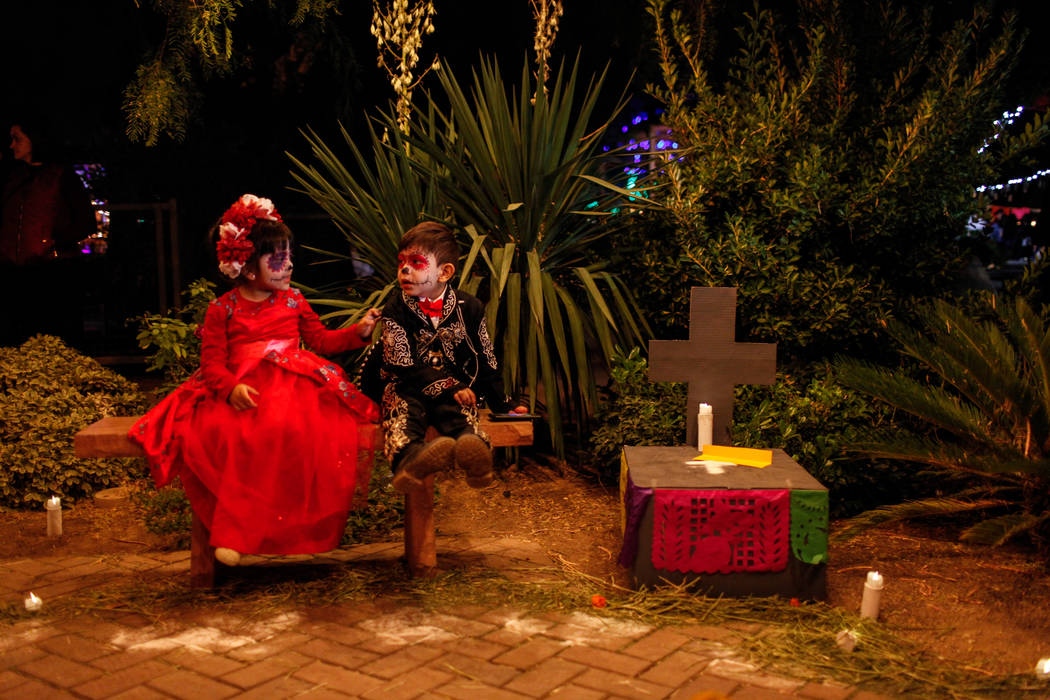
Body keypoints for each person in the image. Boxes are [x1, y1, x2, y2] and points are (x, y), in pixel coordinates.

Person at [129, 194, 382, 566]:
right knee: (235, 438)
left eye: (289, 256)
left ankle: (296, 531)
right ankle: (234, 534)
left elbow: (320, 341)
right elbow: (212, 363)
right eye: (277, 259)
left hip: (295, 386)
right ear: (247, 269)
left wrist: (357, 332)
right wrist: (230, 388)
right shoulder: (223, 309)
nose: (289, 265)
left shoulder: (294, 301)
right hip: (244, 387)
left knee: (299, 433)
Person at [372, 222, 526, 493]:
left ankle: (475, 456)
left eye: (416, 262)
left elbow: (486, 357)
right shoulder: (396, 306)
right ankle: (410, 461)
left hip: (456, 390)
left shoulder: (471, 307)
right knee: (404, 411)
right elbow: (400, 362)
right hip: (407, 385)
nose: (404, 269)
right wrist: (448, 385)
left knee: (461, 411)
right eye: (401, 262)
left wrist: (503, 403)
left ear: (444, 272)